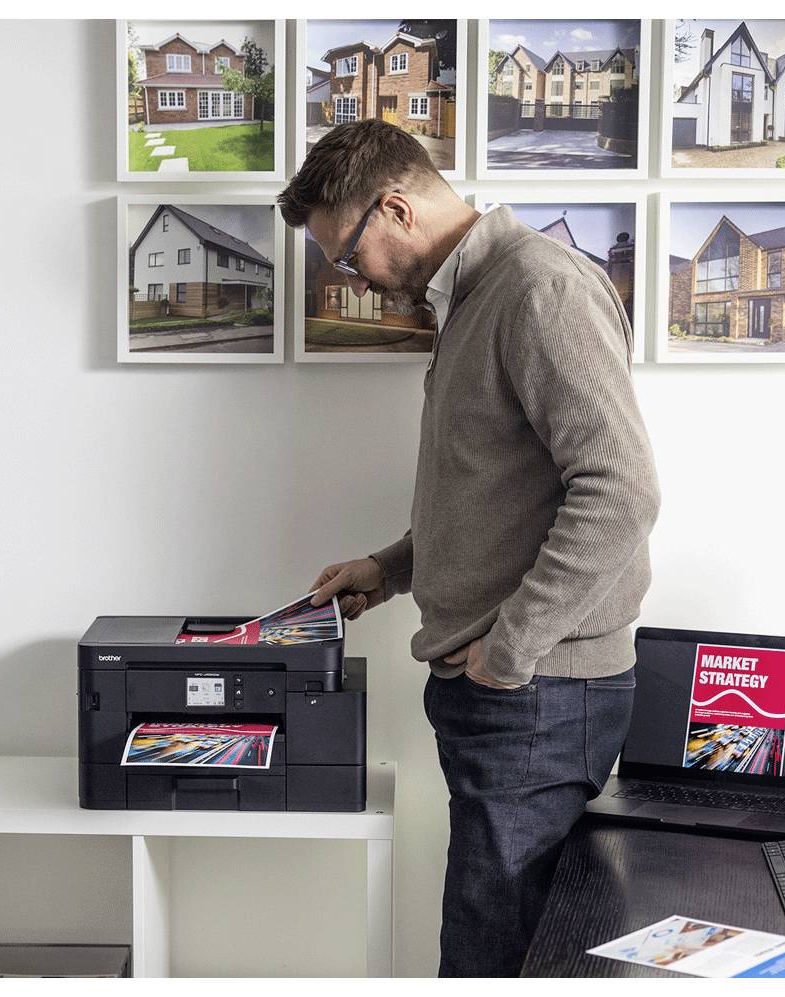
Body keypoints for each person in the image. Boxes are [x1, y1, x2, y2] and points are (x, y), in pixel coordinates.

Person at [276, 119, 661, 977]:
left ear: (395, 208)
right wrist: (389, 568)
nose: (353, 277)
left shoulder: (538, 287)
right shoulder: (475, 296)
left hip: (536, 691)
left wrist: (510, 647)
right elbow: (492, 490)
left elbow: (620, 491)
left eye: (347, 254)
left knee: (493, 956)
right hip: (510, 692)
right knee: (499, 941)